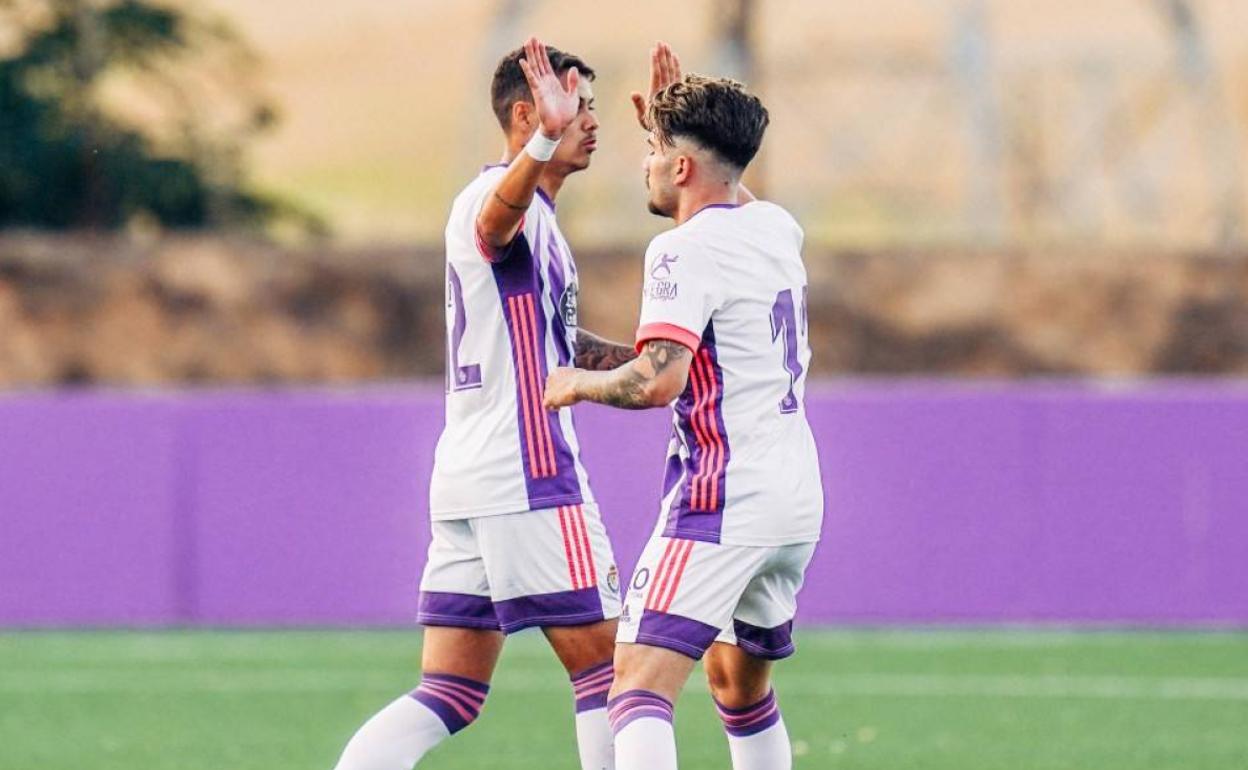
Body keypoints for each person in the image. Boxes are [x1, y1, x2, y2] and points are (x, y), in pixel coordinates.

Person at [334, 37, 635, 770]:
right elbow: (492, 225)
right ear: (529, 113)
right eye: (575, 106)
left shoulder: (540, 217)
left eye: (591, 106)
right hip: (527, 471)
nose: (590, 120)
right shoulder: (502, 198)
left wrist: (649, 364)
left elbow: (552, 342)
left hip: (470, 473)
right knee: (612, 673)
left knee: (451, 691)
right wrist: (541, 140)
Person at [543, 46, 823, 770]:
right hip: (794, 496)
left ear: (683, 169)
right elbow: (723, 187)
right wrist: (678, 121)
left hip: (723, 495)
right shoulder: (775, 227)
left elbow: (657, 381)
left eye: (656, 150)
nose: (645, 162)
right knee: (738, 688)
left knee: (636, 685)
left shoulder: (680, 252)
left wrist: (574, 382)